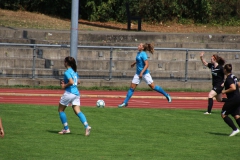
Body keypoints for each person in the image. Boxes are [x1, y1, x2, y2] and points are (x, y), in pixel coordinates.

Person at [118, 43, 171, 108]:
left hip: (145, 74)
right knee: (132, 88)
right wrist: (134, 63)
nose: (138, 46)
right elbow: (138, 60)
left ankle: (166, 95)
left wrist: (142, 73)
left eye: (140, 45)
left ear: (143, 48)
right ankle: (125, 102)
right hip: (138, 74)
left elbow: (147, 65)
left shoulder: (143, 54)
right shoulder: (138, 53)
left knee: (153, 87)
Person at [58, 56, 91, 136]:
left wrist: (64, 85)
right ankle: (87, 126)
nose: (63, 63)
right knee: (78, 111)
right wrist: (66, 82)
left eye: (64, 61)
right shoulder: (74, 71)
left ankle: (66, 129)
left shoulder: (67, 72)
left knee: (61, 110)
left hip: (69, 93)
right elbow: (78, 82)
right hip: (76, 93)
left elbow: (71, 82)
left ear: (66, 63)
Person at [221, 64, 240, 136]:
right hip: (238, 97)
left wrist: (224, 91)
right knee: (236, 115)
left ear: (225, 70)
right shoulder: (233, 76)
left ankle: (235, 129)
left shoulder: (229, 79)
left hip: (233, 99)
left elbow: (233, 88)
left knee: (223, 114)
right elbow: (238, 84)